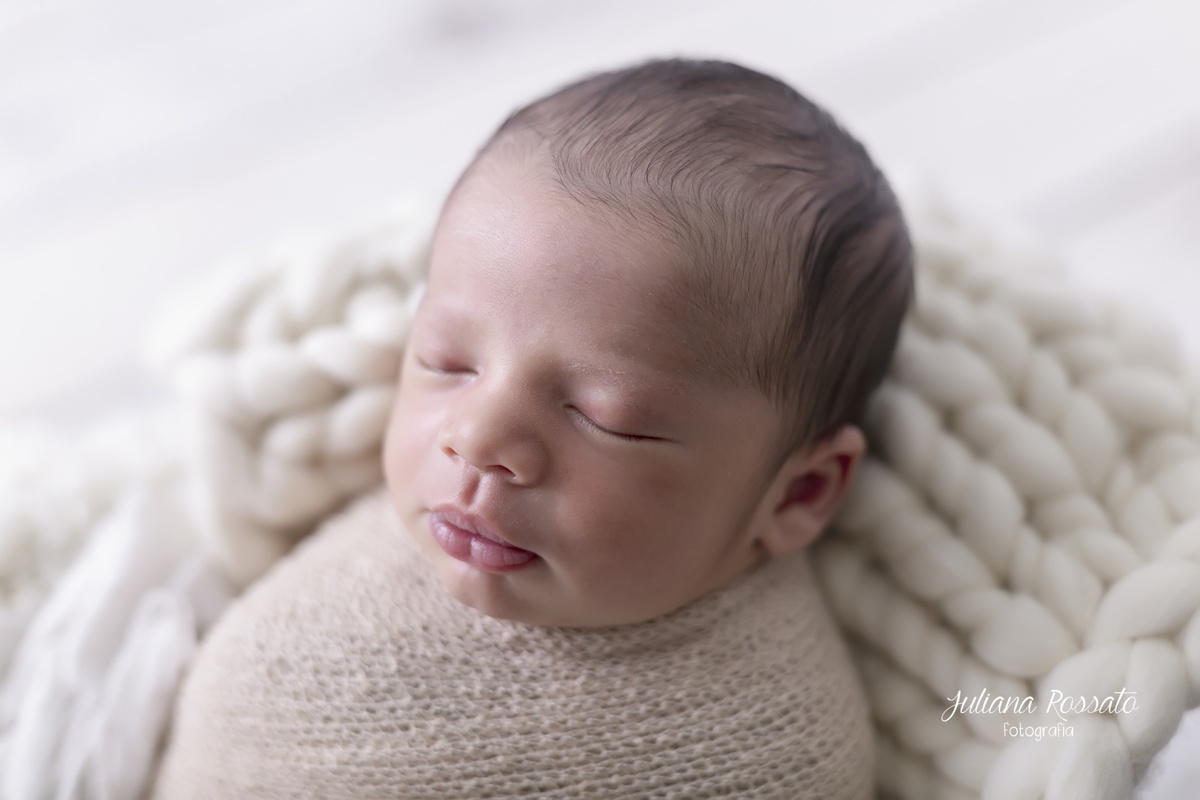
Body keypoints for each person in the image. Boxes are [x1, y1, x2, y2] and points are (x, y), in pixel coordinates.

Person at [153, 58, 913, 798]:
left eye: (602, 417)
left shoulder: (767, 750)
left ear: (798, 492)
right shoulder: (352, 497)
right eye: (447, 362)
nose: (476, 437)